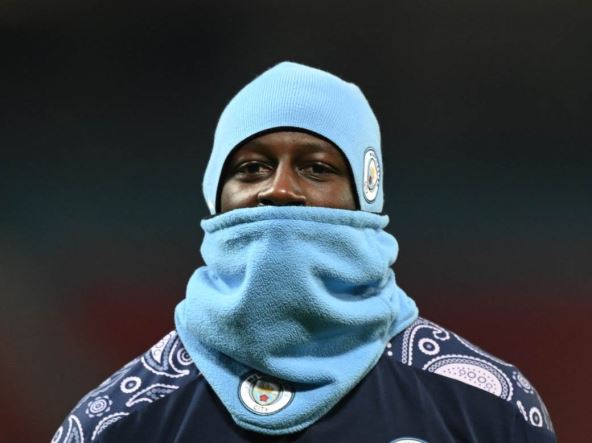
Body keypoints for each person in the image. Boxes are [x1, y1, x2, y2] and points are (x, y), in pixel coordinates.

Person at [53, 62, 556, 442]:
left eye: (316, 168)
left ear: (366, 195)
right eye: (251, 168)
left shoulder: (487, 406)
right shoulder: (116, 423)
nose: (280, 189)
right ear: (214, 196)